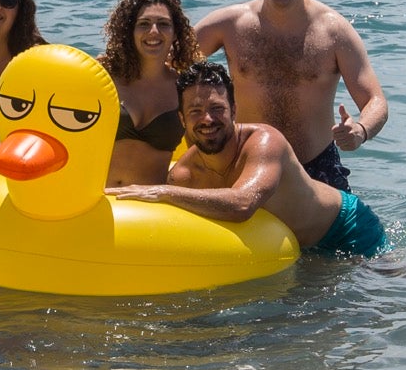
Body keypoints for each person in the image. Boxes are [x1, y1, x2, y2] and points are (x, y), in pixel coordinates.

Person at [107, 62, 387, 257]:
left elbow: (242, 203)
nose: (207, 119)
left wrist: (164, 193)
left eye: (217, 108)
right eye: (195, 111)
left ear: (235, 110)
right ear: (182, 119)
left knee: (392, 286)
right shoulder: (185, 175)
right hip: (296, 250)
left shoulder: (265, 142)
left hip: (346, 229)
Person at [194, 0, 387, 192]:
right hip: (247, 164)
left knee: (359, 233)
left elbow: (375, 100)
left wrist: (361, 131)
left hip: (317, 168)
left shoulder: (334, 31)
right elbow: (165, 64)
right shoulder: (228, 25)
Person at [96, 0, 202, 186]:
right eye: (144, 24)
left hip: (152, 209)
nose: (154, 31)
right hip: (101, 199)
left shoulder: (185, 88)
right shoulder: (102, 75)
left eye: (163, 24)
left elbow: (202, 153)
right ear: (129, 31)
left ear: (176, 33)